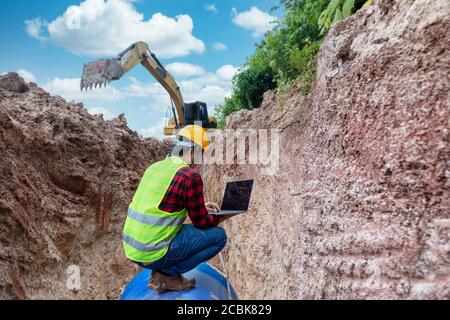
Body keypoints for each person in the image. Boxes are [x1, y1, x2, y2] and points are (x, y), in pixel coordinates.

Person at [122, 125, 227, 291]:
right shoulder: (189, 175)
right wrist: (221, 217)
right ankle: (168, 274)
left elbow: (163, 205)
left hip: (132, 249)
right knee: (219, 236)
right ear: (195, 150)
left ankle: (162, 271)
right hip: (153, 252)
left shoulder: (154, 168)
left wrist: (201, 206)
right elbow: (201, 223)